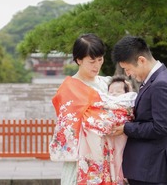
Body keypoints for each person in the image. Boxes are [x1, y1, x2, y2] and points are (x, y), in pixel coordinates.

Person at [50, 33, 131, 185]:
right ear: (78, 60)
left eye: (100, 60)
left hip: (108, 155)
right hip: (80, 160)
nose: (97, 65)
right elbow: (69, 127)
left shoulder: (109, 84)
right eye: (92, 61)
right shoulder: (68, 88)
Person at [111, 36, 167, 185]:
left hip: (150, 169)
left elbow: (161, 128)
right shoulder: (154, 79)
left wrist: (126, 127)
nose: (128, 74)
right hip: (146, 168)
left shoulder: (161, 84)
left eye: (128, 69)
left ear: (141, 60)